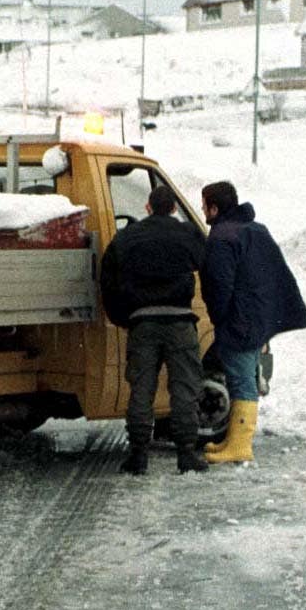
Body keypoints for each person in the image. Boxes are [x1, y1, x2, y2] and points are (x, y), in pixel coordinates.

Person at [100, 183, 209, 476]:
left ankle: (138, 456)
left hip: (143, 322)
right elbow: (209, 265)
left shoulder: (128, 236)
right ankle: (186, 454)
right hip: (180, 321)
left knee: (141, 390)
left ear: (147, 207)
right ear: (174, 208)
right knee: (184, 389)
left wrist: (124, 316)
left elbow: (107, 277)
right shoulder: (188, 234)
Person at [198, 181, 306, 464]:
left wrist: (221, 318)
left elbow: (219, 285)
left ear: (214, 207)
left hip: (239, 321)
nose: (202, 210)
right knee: (244, 377)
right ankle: (233, 440)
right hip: (257, 317)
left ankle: (240, 445)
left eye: (205, 205)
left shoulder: (222, 238)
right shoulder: (256, 230)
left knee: (241, 380)